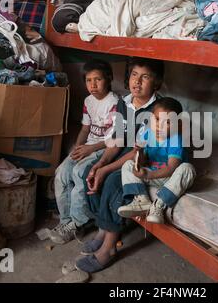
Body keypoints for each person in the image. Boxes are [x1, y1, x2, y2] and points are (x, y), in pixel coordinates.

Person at [74, 57, 164, 272]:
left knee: (114, 181)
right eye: (134, 75)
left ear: (156, 83)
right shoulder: (125, 103)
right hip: (126, 149)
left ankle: (109, 247)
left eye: (145, 77)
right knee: (90, 171)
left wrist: (107, 169)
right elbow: (117, 140)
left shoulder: (157, 110)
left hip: (147, 156)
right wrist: (101, 163)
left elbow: (137, 151)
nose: (137, 82)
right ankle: (103, 228)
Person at [51, 59, 118, 244]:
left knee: (79, 173)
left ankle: (78, 223)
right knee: (61, 172)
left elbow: (113, 139)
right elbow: (85, 129)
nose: (93, 85)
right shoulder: (88, 101)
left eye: (98, 80)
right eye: (89, 80)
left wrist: (90, 149)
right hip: (88, 146)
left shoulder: (115, 103)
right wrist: (76, 149)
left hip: (103, 148)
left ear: (109, 79)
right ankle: (66, 221)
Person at [118, 97, 196, 224]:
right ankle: (142, 200)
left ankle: (159, 205)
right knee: (128, 165)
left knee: (188, 169)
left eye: (168, 122)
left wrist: (149, 174)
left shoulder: (176, 139)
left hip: (169, 178)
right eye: (157, 119)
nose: (160, 126)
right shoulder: (148, 133)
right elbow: (145, 160)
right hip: (152, 174)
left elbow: (172, 168)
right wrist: (140, 155)